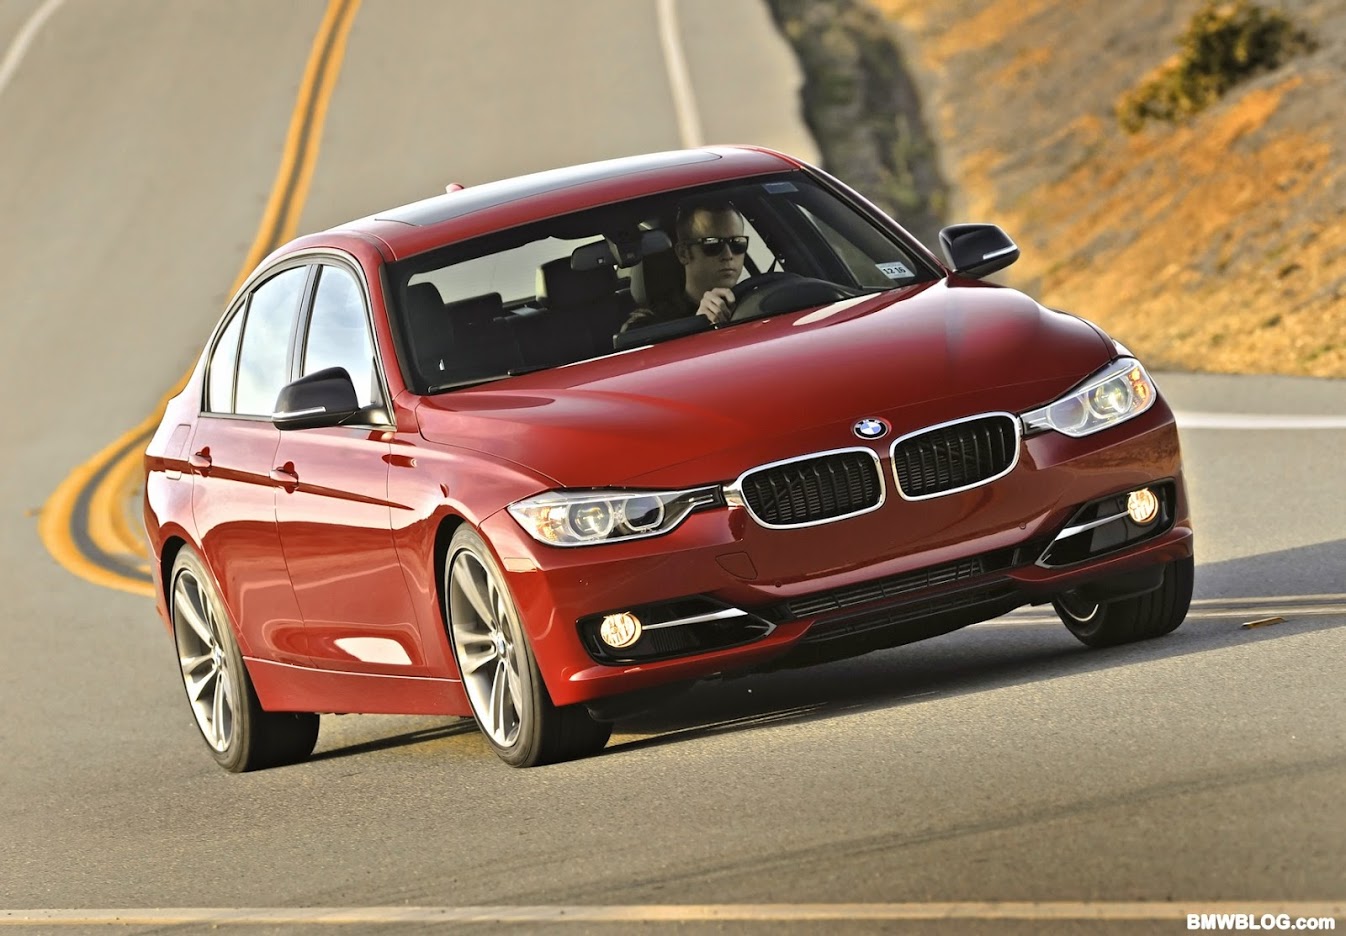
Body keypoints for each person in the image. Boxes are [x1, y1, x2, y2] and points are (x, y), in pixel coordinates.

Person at [621, 196, 749, 332]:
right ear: (683, 253)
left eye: (737, 243)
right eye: (713, 245)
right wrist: (698, 326)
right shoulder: (648, 327)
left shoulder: (758, 302)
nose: (728, 255)